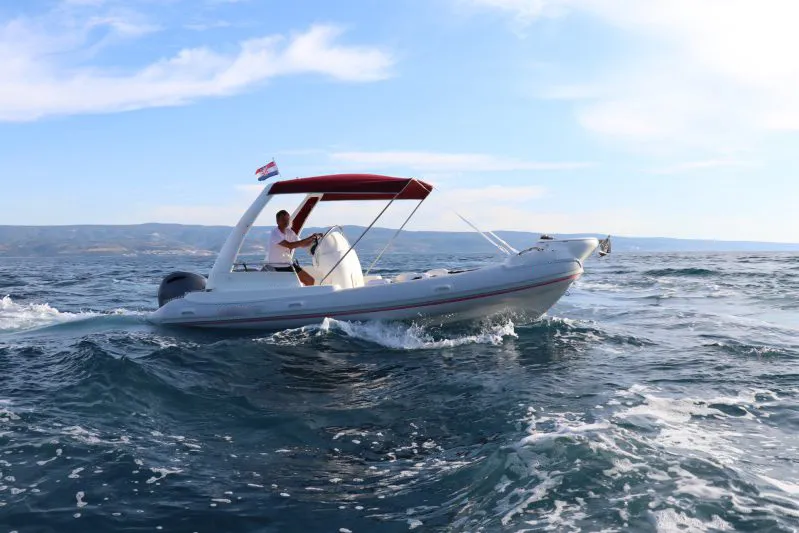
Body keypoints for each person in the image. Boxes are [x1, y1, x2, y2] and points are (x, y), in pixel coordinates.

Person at [266, 210, 321, 286]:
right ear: (277, 221)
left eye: (287, 220)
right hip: (279, 266)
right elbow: (290, 245)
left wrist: (313, 239)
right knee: (307, 281)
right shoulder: (275, 233)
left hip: (288, 264)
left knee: (310, 280)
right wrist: (309, 238)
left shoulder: (289, 232)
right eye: (283, 220)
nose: (286, 222)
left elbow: (303, 244)